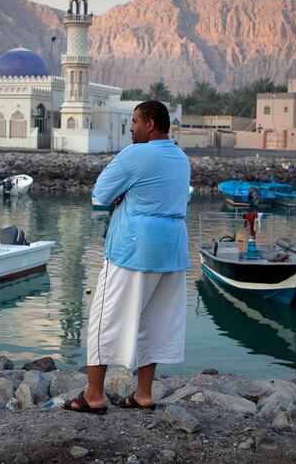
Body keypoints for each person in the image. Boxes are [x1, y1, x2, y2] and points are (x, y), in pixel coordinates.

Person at [64, 100, 190, 414]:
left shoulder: (135, 154)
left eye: (134, 121)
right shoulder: (181, 157)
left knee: (103, 319)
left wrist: (124, 194)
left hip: (133, 248)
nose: (130, 128)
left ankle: (93, 395)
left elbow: (101, 194)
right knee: (155, 320)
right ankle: (143, 393)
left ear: (150, 123)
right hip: (173, 250)